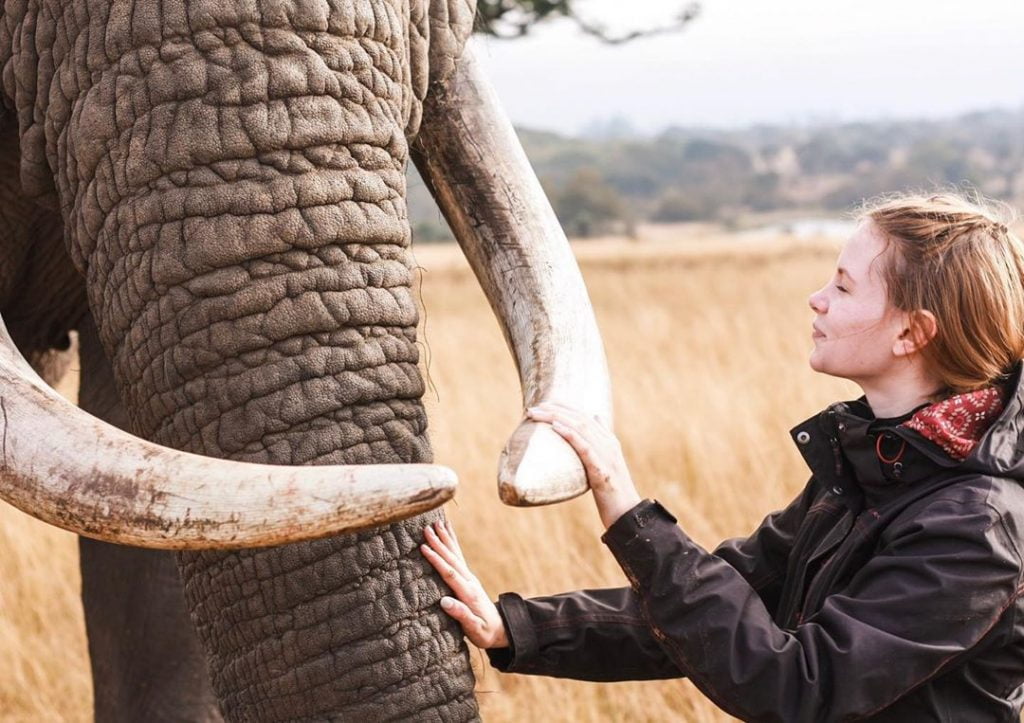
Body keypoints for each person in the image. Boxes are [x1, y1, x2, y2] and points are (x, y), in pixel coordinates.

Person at [420, 192, 1024, 721]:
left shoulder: (974, 528)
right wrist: (518, 628)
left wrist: (627, 511)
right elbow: (713, 615)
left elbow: (797, 686)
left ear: (911, 333)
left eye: (843, 286)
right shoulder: (879, 468)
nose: (816, 299)